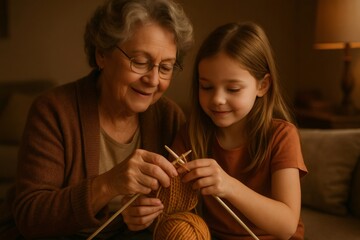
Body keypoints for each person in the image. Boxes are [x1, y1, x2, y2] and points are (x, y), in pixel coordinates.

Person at [0, 0, 193, 239]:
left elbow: (176, 208)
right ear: (102, 54)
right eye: (140, 62)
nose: (153, 80)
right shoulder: (54, 110)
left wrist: (149, 218)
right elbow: (31, 217)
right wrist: (109, 183)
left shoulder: (170, 116)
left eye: (166, 67)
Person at [123, 22, 308, 240]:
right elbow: (169, 205)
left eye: (233, 89)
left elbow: (286, 226)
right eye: (207, 87)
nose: (218, 99)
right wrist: (143, 213)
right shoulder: (191, 135)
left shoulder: (281, 136)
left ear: (263, 85)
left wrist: (229, 186)